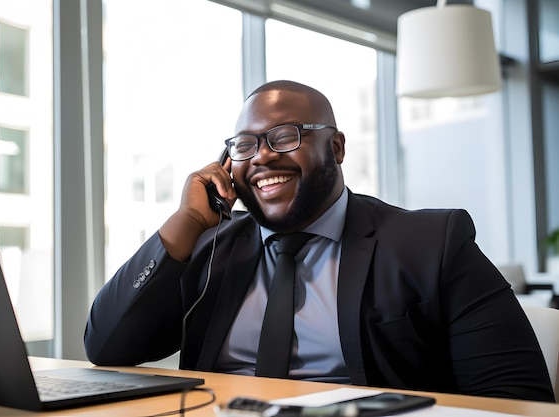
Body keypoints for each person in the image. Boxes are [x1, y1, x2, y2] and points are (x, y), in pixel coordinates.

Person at [84, 80, 555, 402]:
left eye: (284, 136)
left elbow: (515, 395)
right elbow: (107, 348)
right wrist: (186, 220)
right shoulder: (209, 250)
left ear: (336, 147)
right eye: (244, 146)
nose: (262, 157)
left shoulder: (432, 243)